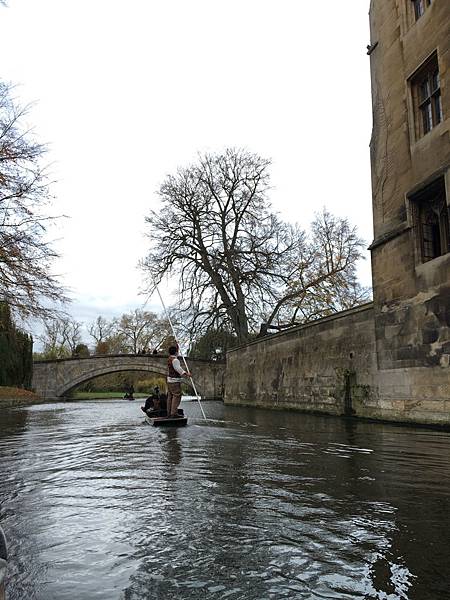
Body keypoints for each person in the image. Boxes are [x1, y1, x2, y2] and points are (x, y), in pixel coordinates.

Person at [166, 345, 191, 418]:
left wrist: (177, 345)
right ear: (176, 352)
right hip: (174, 381)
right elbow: (178, 369)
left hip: (169, 381)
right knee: (177, 396)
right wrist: (187, 374)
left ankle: (169, 412)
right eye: (177, 351)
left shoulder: (169, 359)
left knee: (170, 396)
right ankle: (173, 413)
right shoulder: (175, 360)